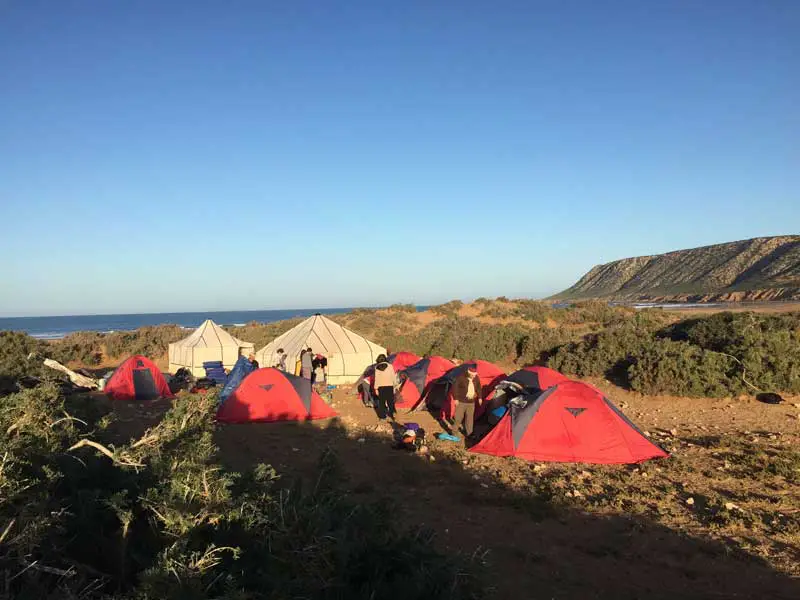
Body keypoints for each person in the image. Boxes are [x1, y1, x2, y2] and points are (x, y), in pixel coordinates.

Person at [451, 364, 482, 439]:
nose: (474, 377)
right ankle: (454, 432)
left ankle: (469, 433)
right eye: (472, 375)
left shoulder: (476, 378)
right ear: (469, 373)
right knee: (458, 418)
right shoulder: (461, 377)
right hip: (461, 401)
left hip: (471, 402)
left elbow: (478, 387)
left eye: (475, 375)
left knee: (470, 418)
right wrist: (456, 399)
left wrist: (480, 397)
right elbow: (455, 388)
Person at [373, 354, 396, 420]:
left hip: (381, 387)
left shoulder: (377, 367)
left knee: (382, 402)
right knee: (390, 402)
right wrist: (394, 385)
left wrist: (376, 388)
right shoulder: (390, 366)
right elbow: (393, 376)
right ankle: (391, 415)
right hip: (389, 386)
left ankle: (382, 417)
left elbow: (376, 379)